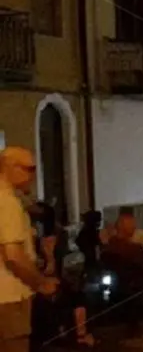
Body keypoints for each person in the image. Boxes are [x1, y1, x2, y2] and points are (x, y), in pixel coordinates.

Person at [0, 147, 59, 352]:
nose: (33, 176)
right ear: (9, 168)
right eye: (30, 169)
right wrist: (41, 283)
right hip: (10, 299)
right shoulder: (7, 203)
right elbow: (13, 256)